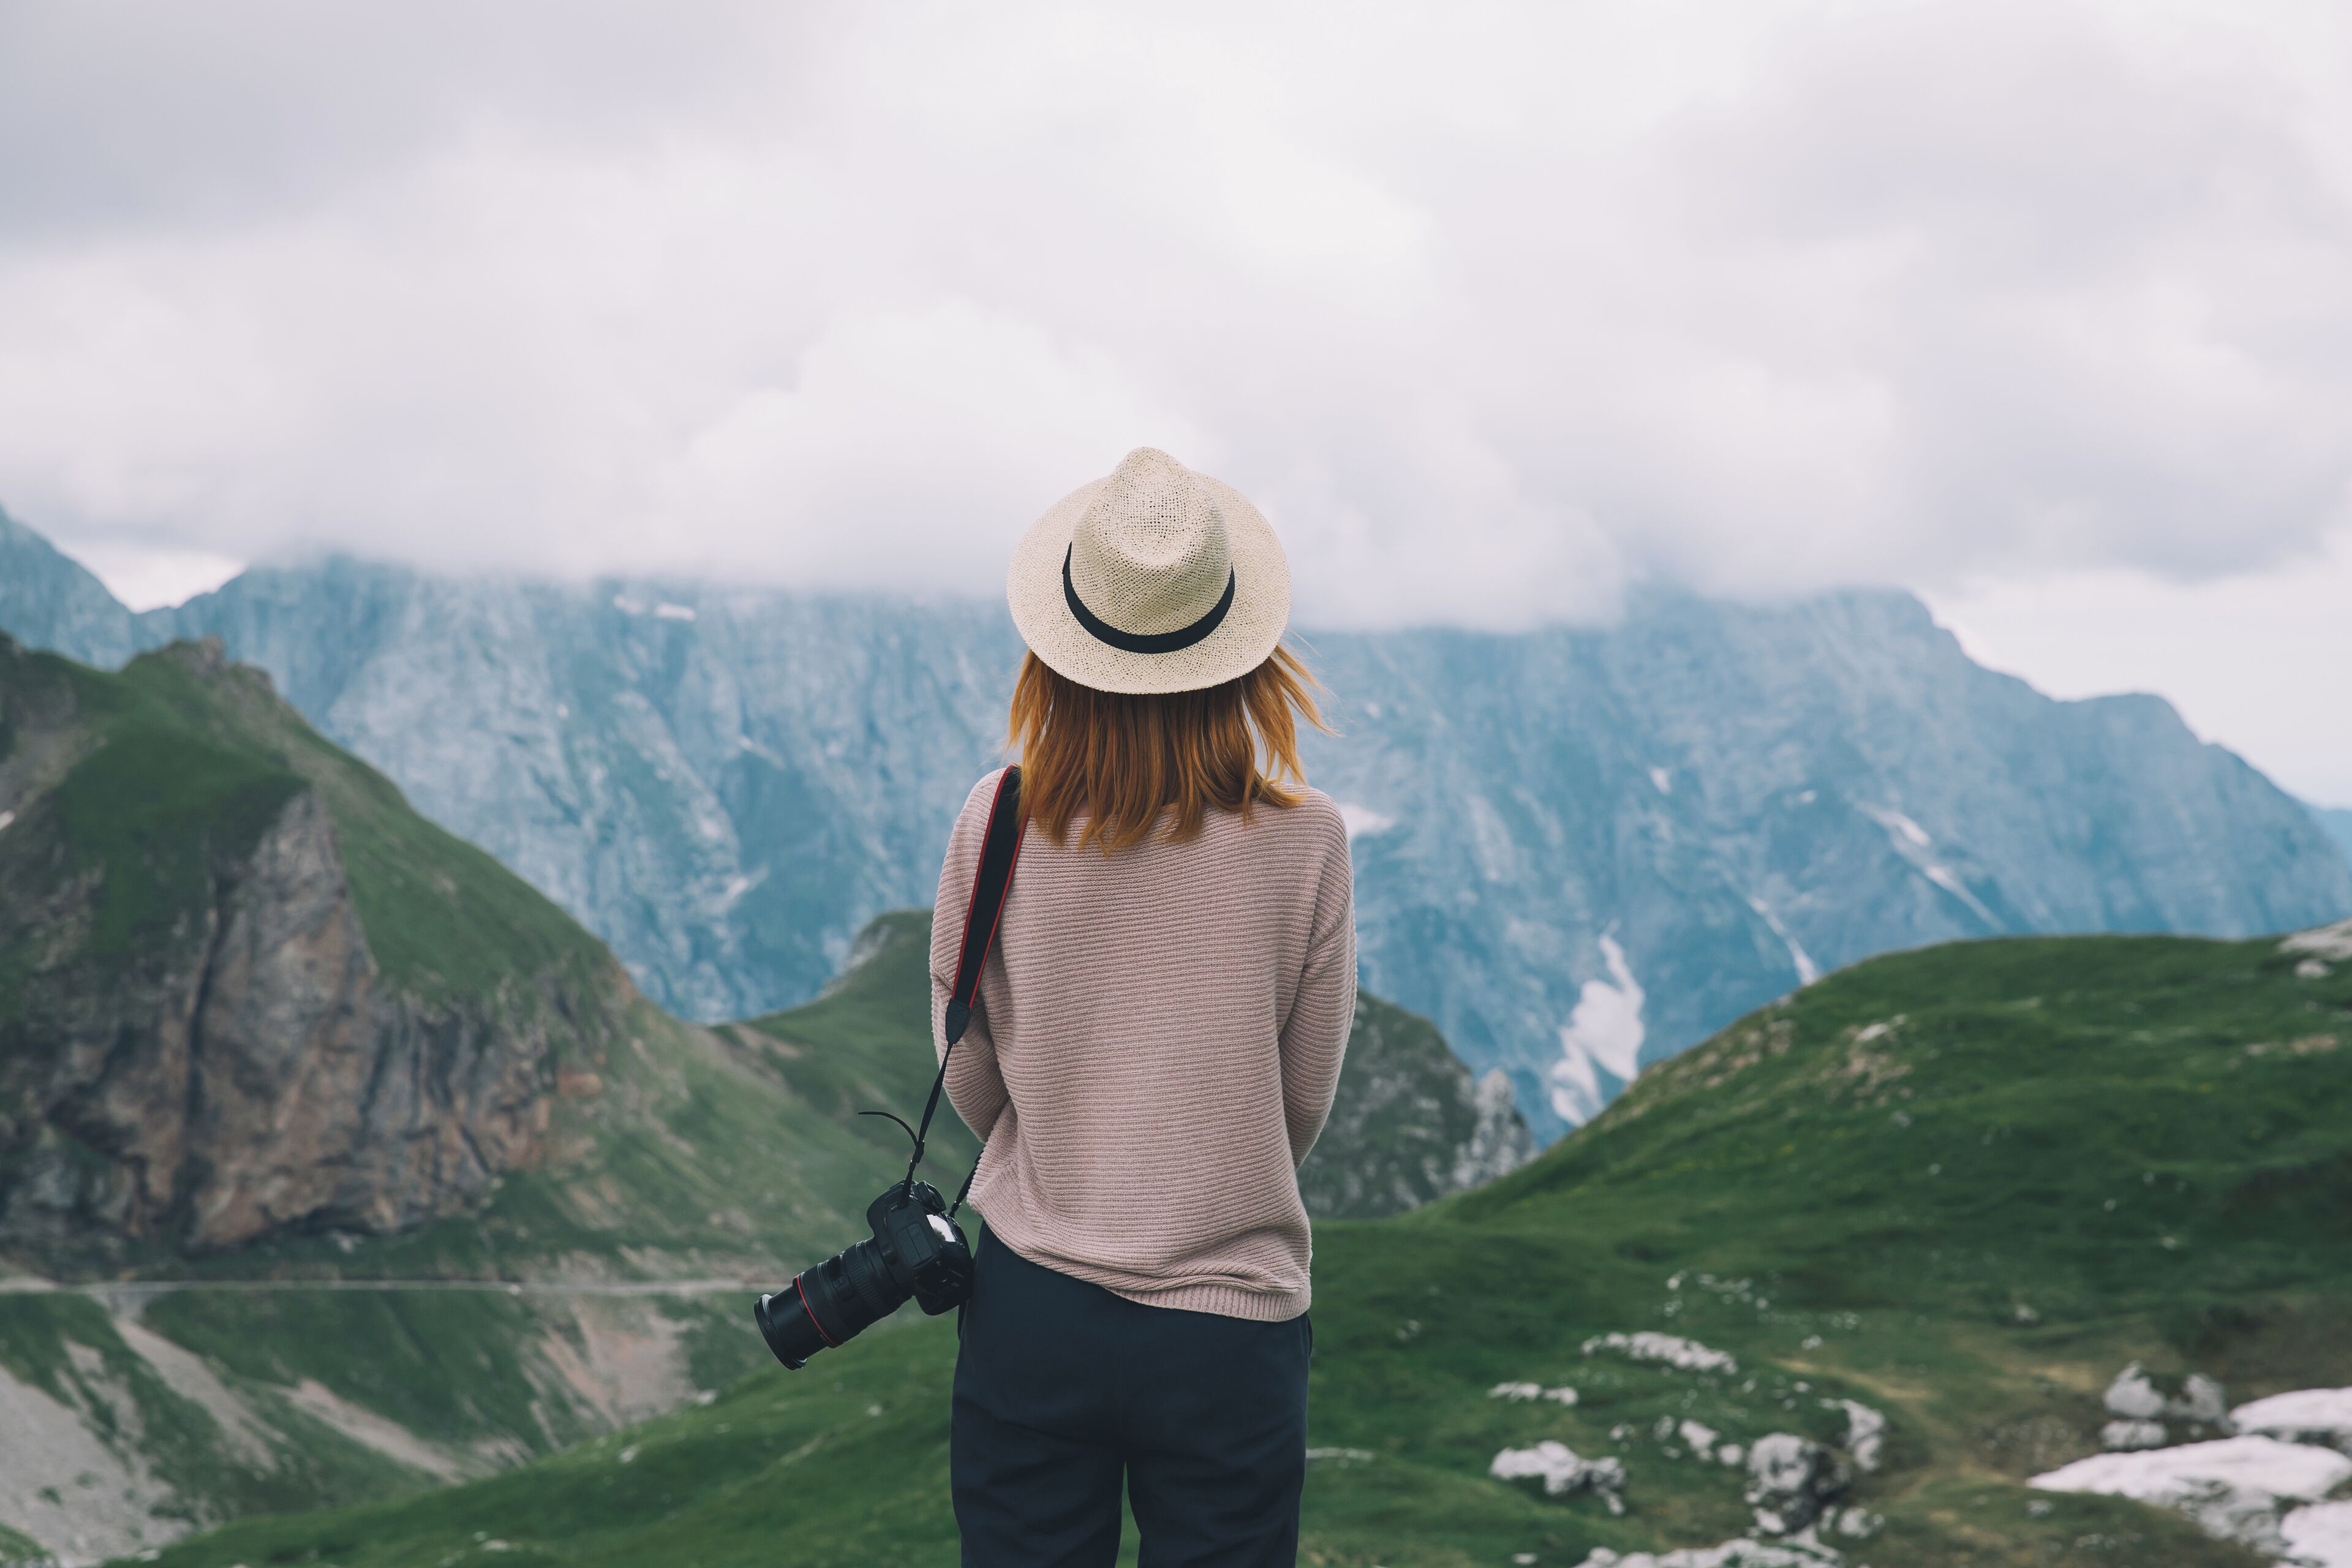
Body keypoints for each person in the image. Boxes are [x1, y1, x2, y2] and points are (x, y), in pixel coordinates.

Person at [930, 447, 1357, 1567]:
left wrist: (1070, 1151)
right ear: (1241, 653)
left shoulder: (1000, 815)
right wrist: (1204, 1162)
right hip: (1229, 1326)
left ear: (1061, 647)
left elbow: (963, 1046)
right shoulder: (1306, 839)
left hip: (1037, 1305)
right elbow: (1302, 1091)